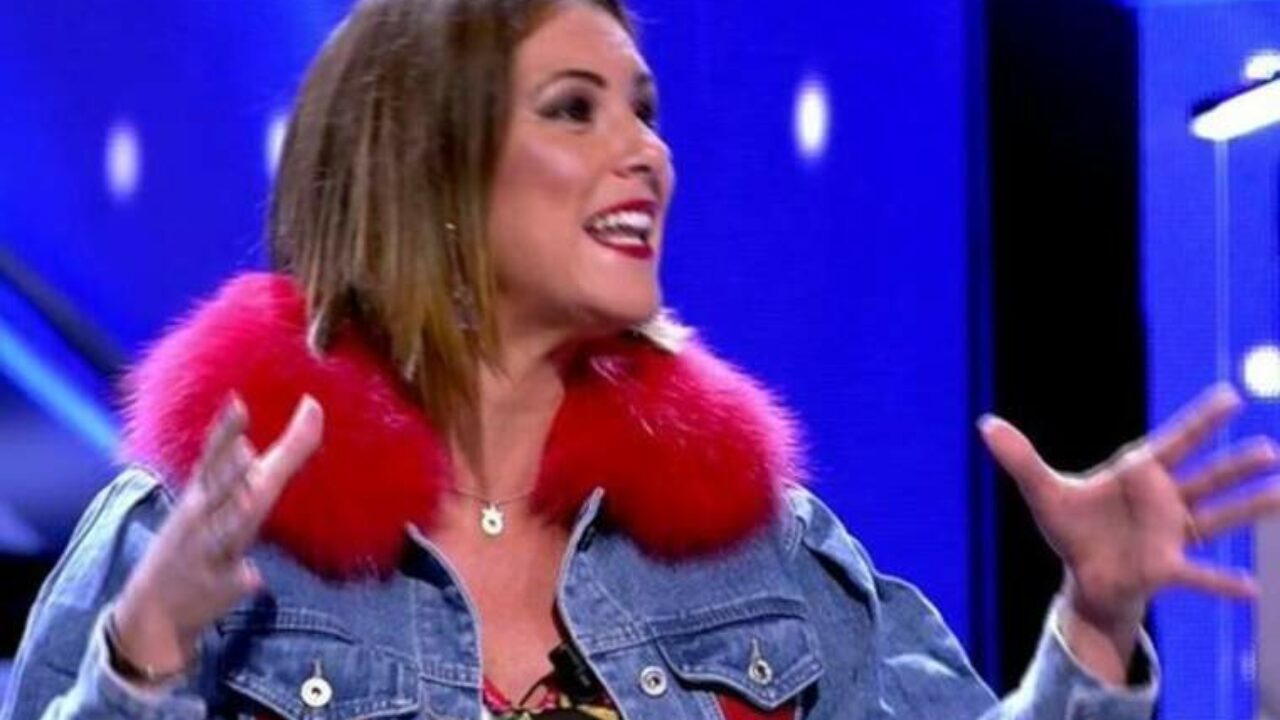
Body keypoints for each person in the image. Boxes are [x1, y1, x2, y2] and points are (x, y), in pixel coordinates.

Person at [4, 0, 1278, 718]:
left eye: (644, 112)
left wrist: (1093, 625)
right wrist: (144, 661)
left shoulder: (756, 544)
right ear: (426, 169)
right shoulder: (186, 539)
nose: (647, 152)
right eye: (575, 108)